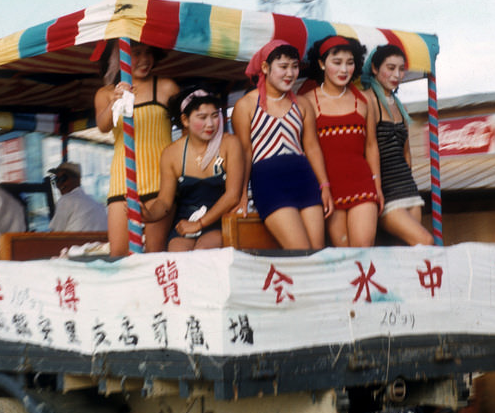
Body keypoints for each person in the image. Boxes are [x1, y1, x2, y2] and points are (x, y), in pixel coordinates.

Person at [232, 39, 332, 249]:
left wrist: (324, 186)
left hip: (305, 180)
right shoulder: (246, 105)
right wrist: (241, 195)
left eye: (294, 66)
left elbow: (312, 148)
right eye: (283, 67)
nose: (290, 73)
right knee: (300, 252)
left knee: (317, 252)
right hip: (269, 183)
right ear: (266, 68)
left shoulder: (303, 104)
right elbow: (244, 153)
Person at [93, 40, 180, 256]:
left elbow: (187, 131)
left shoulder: (167, 87)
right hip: (122, 182)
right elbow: (103, 126)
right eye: (137, 53)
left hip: (161, 181)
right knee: (119, 254)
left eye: (149, 53)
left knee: (153, 253)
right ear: (119, 56)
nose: (144, 59)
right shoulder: (105, 93)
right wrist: (115, 102)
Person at [302, 35, 382, 247]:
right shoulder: (308, 101)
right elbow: (308, 149)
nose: (344, 70)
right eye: (336, 63)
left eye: (349, 62)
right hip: (328, 188)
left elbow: (372, 146)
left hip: (363, 184)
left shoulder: (364, 101)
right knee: (343, 253)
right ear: (321, 63)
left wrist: (378, 186)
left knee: (363, 250)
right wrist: (321, 186)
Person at [142, 89, 244, 251]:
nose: (210, 124)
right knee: (177, 252)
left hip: (220, 222)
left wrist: (199, 224)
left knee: (204, 250)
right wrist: (149, 214)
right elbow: (164, 201)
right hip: (185, 222)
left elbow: (232, 196)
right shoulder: (171, 153)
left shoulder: (230, 144)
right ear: (185, 120)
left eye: (214, 116)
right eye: (202, 118)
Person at [361, 44, 434, 246]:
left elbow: (406, 152)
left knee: (406, 252)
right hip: (385, 190)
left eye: (401, 69)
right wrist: (376, 190)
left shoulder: (399, 105)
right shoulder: (367, 100)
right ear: (375, 68)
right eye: (390, 68)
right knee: (425, 241)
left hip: (407, 187)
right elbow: (369, 147)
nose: (397, 74)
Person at [47, 162, 108, 232]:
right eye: (56, 180)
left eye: (63, 178)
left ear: (78, 179)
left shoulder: (66, 200)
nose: (59, 184)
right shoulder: (97, 204)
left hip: (75, 242)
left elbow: (55, 235)